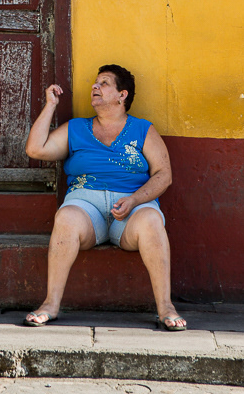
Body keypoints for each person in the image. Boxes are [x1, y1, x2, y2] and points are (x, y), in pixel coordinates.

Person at [24, 65, 187, 331]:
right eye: (95, 82)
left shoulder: (143, 130)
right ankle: (50, 305)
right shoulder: (76, 128)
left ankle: (166, 307)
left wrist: (135, 200)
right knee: (66, 217)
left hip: (133, 209)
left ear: (122, 95)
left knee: (152, 220)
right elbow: (35, 149)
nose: (95, 87)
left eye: (104, 83)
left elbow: (163, 175)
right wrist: (50, 105)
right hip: (86, 207)